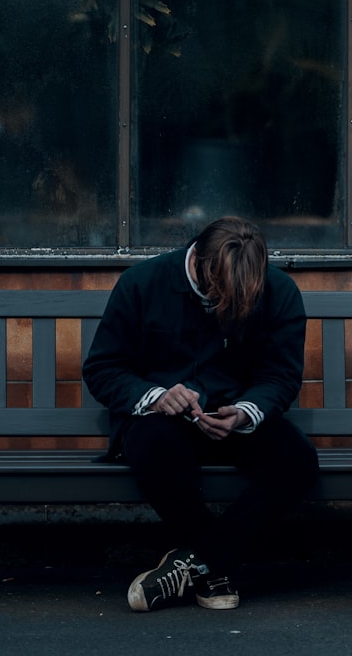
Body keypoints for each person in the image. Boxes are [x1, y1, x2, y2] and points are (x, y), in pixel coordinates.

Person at [82, 216, 318, 612]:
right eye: (222, 293)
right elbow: (103, 368)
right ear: (201, 264)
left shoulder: (279, 291)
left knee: (298, 463)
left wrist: (245, 412)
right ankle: (216, 568)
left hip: (233, 421)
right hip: (160, 422)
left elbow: (280, 375)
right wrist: (155, 395)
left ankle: (194, 563)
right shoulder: (143, 282)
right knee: (154, 444)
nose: (228, 304)